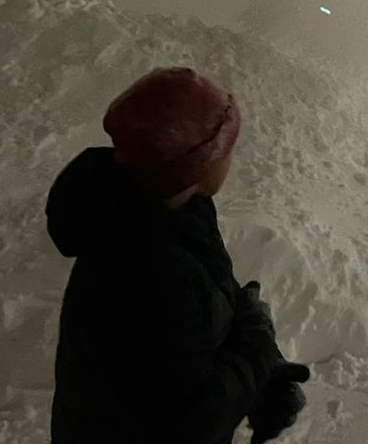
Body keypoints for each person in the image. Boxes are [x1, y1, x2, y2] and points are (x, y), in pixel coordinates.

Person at [47, 68, 310, 444]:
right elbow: (191, 423)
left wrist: (259, 366)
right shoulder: (148, 265)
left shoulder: (173, 212)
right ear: (196, 164)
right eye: (227, 149)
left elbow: (218, 294)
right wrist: (256, 354)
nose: (231, 160)